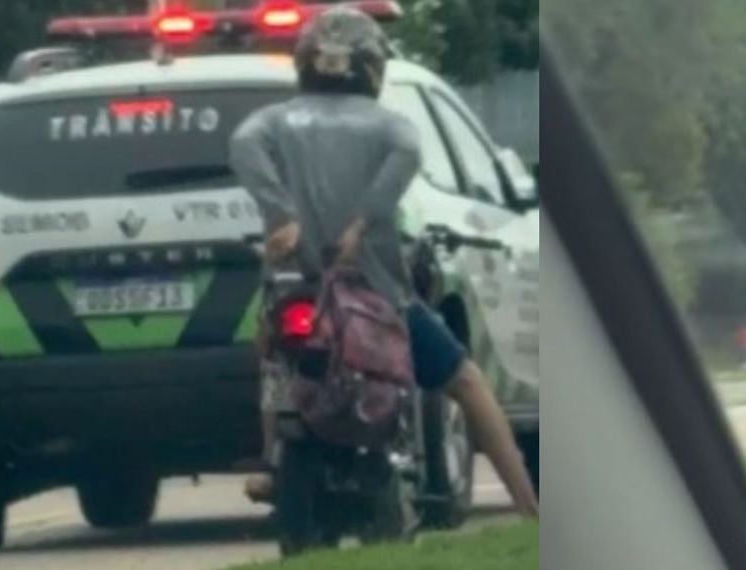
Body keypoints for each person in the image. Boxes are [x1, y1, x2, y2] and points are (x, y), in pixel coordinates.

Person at [229, 6, 538, 518]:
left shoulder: (272, 122)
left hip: (296, 290)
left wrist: (279, 213)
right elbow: (408, 154)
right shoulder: (388, 124)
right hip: (377, 298)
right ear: (372, 69)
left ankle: (271, 460)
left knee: (271, 356)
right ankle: (529, 508)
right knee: (466, 380)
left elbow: (242, 146)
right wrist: (363, 222)